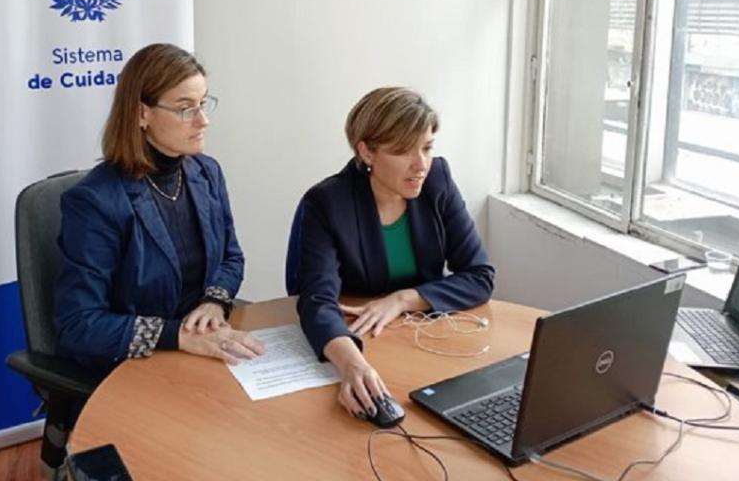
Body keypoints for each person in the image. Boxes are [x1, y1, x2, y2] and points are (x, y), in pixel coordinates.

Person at [55, 43, 265, 369]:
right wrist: (179, 335)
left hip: (202, 347)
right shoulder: (95, 201)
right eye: (185, 108)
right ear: (143, 114)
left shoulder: (206, 172)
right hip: (132, 364)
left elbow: (231, 257)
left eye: (203, 103)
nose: (203, 120)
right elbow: (80, 324)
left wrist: (214, 302)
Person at [296, 87, 494, 418]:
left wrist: (403, 299)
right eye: (404, 152)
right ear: (367, 152)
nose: (421, 166)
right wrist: (353, 366)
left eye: (427, 148)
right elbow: (316, 300)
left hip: (427, 344)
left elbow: (479, 276)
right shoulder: (328, 203)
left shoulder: (438, 180)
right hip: (362, 342)